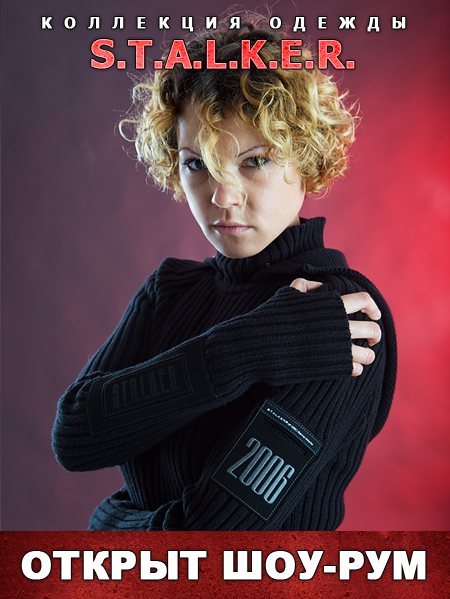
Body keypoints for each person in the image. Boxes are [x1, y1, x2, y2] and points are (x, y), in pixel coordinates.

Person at [52, 21, 397, 531]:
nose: (222, 195)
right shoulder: (170, 292)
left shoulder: (335, 314)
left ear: (306, 158)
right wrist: (251, 346)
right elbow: (75, 437)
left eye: (255, 161)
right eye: (197, 165)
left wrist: (109, 524)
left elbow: (213, 544)